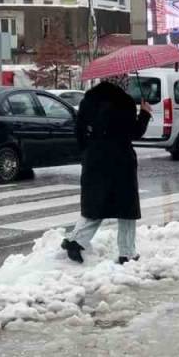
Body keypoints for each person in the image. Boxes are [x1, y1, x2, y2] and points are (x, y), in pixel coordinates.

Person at [61, 76, 152, 265]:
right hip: (120, 161)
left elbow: (78, 130)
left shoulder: (89, 99)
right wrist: (144, 114)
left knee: (96, 205)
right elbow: (134, 133)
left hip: (95, 159)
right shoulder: (124, 102)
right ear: (120, 82)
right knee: (126, 208)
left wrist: (87, 152)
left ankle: (75, 241)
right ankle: (127, 253)